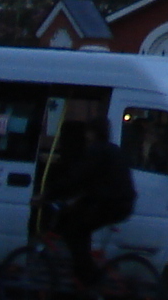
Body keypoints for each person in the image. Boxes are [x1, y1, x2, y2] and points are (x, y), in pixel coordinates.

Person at [43, 117, 136, 286]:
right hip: (122, 203)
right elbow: (94, 181)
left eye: (88, 132)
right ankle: (83, 275)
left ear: (93, 133)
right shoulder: (113, 150)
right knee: (80, 224)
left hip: (111, 204)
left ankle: (89, 277)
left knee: (74, 230)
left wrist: (48, 194)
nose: (86, 136)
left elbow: (76, 177)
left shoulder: (96, 151)